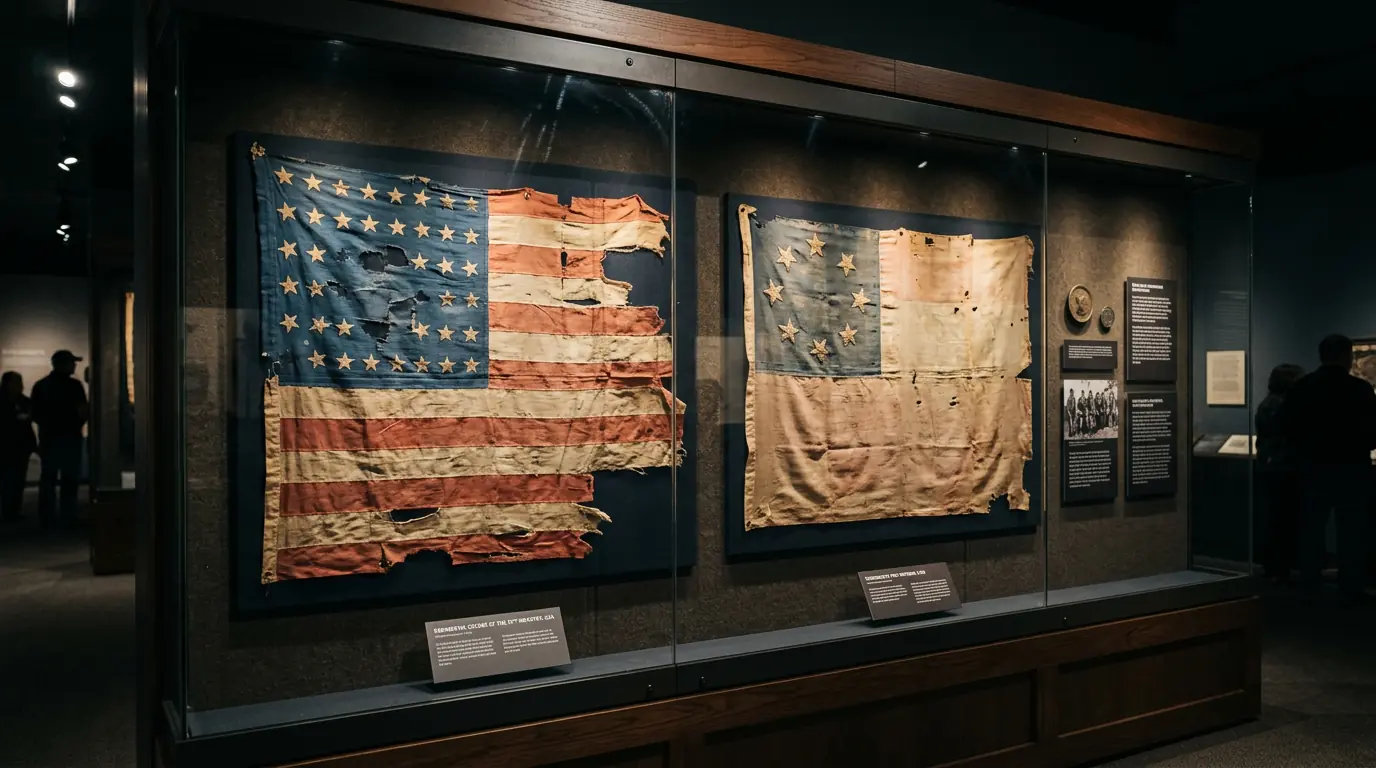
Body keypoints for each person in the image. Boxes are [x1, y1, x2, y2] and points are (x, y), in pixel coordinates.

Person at [1280, 335, 1376, 599]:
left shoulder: (1302, 387)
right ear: (1347, 356)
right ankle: (1351, 585)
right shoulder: (1360, 389)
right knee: (1352, 530)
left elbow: (1287, 426)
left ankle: (1310, 581)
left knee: (1311, 527)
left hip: (1312, 467)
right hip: (1352, 468)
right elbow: (1372, 429)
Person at [1257, 363, 1305, 582]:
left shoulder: (1269, 404)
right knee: (1281, 519)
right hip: (1282, 469)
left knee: (1276, 518)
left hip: (1273, 467)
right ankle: (1279, 567)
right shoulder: (1279, 405)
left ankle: (1276, 566)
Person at [30, 350, 88, 527]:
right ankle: (67, 514)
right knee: (69, 479)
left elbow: (35, 413)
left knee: (48, 478)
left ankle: (46, 516)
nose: (74, 366)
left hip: (49, 438)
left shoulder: (41, 385)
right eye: (72, 363)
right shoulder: (74, 386)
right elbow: (82, 411)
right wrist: (75, 423)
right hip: (70, 437)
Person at [1, 372, 37, 521]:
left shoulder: (23, 401)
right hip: (7, 445)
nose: (21, 386)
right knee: (9, 479)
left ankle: (13, 510)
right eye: (17, 383)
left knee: (17, 480)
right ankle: (9, 510)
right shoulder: (20, 402)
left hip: (20, 446)